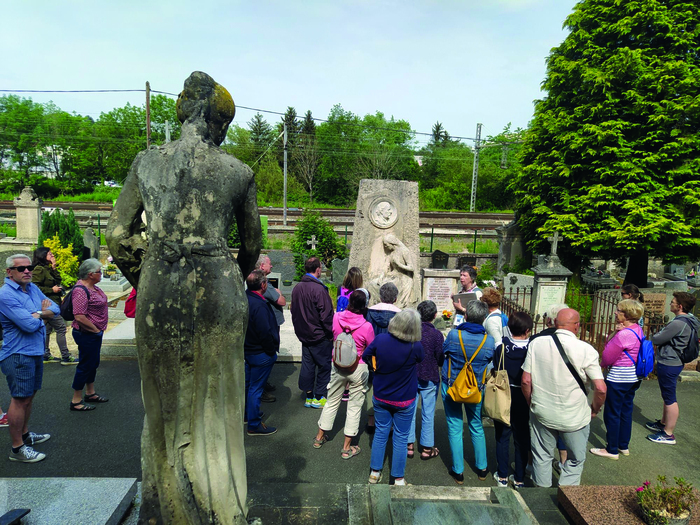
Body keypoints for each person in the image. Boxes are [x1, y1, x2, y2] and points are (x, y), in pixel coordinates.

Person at [106, 71, 261, 523]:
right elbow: (251, 246)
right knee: (220, 404)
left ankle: (165, 508)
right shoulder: (236, 171)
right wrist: (229, 276)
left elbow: (118, 236)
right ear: (218, 121)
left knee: (163, 406)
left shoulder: (147, 162)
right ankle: (223, 509)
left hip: (159, 287)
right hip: (219, 291)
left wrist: (149, 277)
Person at [521, 308, 606, 487]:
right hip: (574, 415)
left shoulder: (537, 343)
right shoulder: (586, 350)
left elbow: (526, 380)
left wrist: (531, 403)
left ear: (555, 323)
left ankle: (542, 496)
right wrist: (594, 409)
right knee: (575, 459)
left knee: (542, 456)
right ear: (577, 326)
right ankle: (567, 496)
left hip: (542, 410)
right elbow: (600, 388)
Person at [0, 253, 59, 462]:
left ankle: (25, 435)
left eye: (29, 267)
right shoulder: (6, 294)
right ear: (9, 272)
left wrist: (39, 313)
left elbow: (56, 308)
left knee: (29, 397)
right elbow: (29, 325)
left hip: (34, 351)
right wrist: (40, 314)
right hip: (18, 354)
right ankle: (17, 449)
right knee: (20, 399)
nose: (27, 271)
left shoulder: (31, 287)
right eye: (21, 268)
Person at [363, 309, 424, 485]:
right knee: (401, 436)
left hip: (381, 394)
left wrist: (376, 367)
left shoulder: (381, 339)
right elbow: (421, 359)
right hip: (405, 397)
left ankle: (375, 472)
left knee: (381, 432)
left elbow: (367, 355)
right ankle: (398, 478)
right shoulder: (416, 346)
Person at [314, 290, 374, 458]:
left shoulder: (336, 317)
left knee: (332, 400)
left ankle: (319, 437)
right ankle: (347, 448)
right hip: (358, 367)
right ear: (365, 305)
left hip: (338, 364)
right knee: (354, 407)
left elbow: (333, 335)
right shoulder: (367, 326)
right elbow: (371, 347)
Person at [442, 300, 494, 484]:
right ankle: (482, 468)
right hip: (475, 389)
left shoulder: (454, 335)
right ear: (484, 318)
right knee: (476, 426)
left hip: (452, 386)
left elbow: (444, 353)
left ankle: (458, 471)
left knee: (455, 426)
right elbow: (489, 360)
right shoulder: (489, 340)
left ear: (466, 316)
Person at [590, 299, 644, 459]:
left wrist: (614, 334)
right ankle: (623, 445)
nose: (615, 312)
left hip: (618, 377)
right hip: (633, 376)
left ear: (626, 314)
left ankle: (611, 449)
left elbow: (607, 355)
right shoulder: (637, 329)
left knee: (612, 413)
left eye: (618, 310)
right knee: (626, 411)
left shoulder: (623, 334)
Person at [646, 292, 699, 445]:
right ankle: (663, 423)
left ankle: (668, 433)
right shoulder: (689, 320)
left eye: (673, 302)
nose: (670, 303)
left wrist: (658, 334)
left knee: (670, 398)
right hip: (674, 362)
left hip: (670, 362)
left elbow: (657, 339)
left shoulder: (678, 323)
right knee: (667, 395)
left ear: (679, 306)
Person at [492, 312, 533, 489]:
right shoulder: (533, 348)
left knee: (502, 436)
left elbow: (495, 366)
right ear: (528, 330)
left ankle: (502, 476)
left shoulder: (501, 347)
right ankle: (519, 478)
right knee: (521, 437)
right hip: (524, 395)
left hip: (503, 393)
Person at [291, 257, 334, 409]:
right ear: (317, 269)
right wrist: (330, 333)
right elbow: (326, 314)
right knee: (323, 365)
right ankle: (319, 396)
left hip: (304, 333)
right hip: (319, 334)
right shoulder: (319, 289)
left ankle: (308, 396)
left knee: (308, 365)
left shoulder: (297, 288)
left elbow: (294, 311)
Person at [531, 303, 570, 469]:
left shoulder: (536, 340)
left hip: (543, 392)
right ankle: (563, 463)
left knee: (542, 434)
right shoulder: (573, 342)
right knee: (563, 431)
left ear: (550, 320)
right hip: (565, 393)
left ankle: (538, 468)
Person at [69, 258, 109, 412]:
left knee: (93, 364)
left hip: (94, 333)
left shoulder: (94, 288)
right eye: (99, 272)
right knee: (85, 366)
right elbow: (79, 316)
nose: (101, 274)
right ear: (91, 274)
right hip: (86, 333)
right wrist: (95, 330)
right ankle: (76, 400)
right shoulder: (80, 290)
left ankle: (90, 392)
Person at [244, 270, 280, 436]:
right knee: (255, 389)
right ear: (263, 285)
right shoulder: (259, 305)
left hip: (248, 350)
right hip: (260, 352)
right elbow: (264, 331)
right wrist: (271, 351)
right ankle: (253, 424)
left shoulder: (245, 298)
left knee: (248, 386)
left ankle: (248, 414)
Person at [407, 300, 444, 460]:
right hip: (430, 376)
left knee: (410, 410)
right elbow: (441, 357)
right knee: (428, 412)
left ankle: (409, 444)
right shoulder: (436, 335)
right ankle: (427, 448)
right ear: (435, 315)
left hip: (411, 375)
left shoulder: (411, 332)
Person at [364, 282, 401, 431]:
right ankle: (389, 423)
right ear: (396, 298)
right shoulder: (400, 315)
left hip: (373, 355)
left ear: (379, 296)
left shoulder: (369, 313)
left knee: (371, 386)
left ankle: (371, 421)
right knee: (391, 387)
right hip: (392, 358)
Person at [31, 247, 77, 365]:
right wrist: (51, 290)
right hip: (47, 304)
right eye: (49, 254)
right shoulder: (39, 269)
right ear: (42, 255)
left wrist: (54, 267)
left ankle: (45, 355)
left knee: (47, 329)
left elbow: (58, 280)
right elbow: (34, 287)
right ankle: (65, 356)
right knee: (61, 328)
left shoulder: (48, 268)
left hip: (54, 303)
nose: (52, 256)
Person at [255, 254, 286, 403]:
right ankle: (260, 390)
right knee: (268, 355)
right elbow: (281, 301)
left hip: (272, 323)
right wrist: (279, 293)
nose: (271, 266)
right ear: (262, 266)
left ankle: (263, 384)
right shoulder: (261, 282)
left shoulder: (263, 281)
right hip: (269, 325)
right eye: (269, 264)